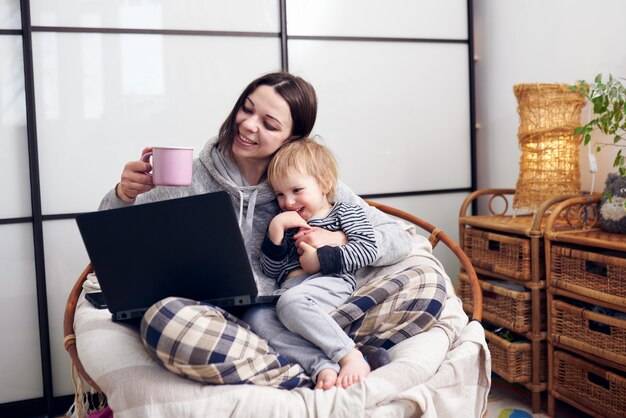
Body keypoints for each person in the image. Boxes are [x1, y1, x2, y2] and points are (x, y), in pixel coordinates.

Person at [98, 71, 413, 386]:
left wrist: (337, 238)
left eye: (269, 124)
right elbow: (112, 241)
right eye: (246, 109)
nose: (248, 125)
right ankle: (314, 364)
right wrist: (124, 195)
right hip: (211, 315)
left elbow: (397, 237)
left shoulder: (305, 182)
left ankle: (309, 360)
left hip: (294, 303)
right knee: (164, 322)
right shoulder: (187, 177)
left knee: (425, 281)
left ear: (292, 138)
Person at [259, 138, 380, 389]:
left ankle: (351, 355)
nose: (288, 202)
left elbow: (368, 248)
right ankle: (322, 365)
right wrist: (275, 231)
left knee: (291, 303)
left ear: (324, 183)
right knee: (257, 318)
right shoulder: (286, 221)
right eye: (280, 194)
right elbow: (270, 270)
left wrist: (321, 259)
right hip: (288, 291)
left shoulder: (344, 212)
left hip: (331, 281)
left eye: (296, 190)